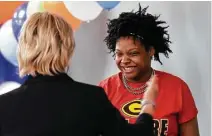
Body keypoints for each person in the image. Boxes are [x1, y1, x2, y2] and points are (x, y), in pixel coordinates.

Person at [0, 12, 158, 136]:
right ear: (68, 48)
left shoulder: (4, 106)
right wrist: (148, 104)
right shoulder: (92, 98)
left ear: (23, 49)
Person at [99, 4, 199, 136]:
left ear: (151, 51)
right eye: (119, 54)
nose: (124, 60)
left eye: (133, 53)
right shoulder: (104, 90)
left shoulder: (177, 88)